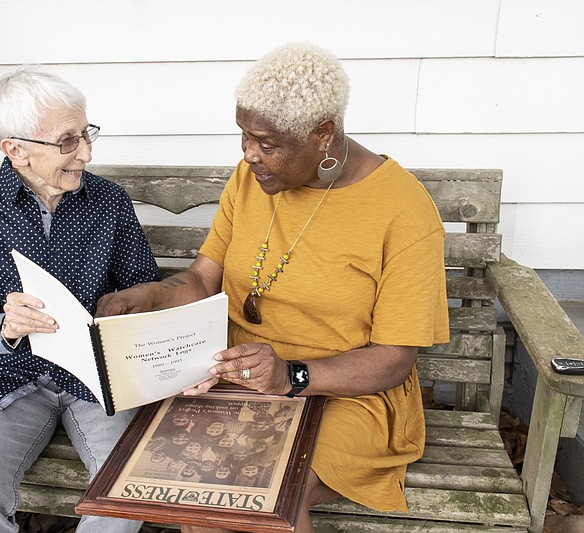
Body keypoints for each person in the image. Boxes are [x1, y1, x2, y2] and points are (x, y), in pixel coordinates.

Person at [96, 42, 449, 533]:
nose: (249, 154)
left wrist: (291, 377)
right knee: (205, 498)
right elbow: (200, 279)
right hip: (235, 380)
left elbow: (394, 357)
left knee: (253, 493)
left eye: (266, 142)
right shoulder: (249, 180)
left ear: (323, 134)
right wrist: (146, 297)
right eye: (243, 136)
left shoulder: (403, 211)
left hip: (345, 393)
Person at [0, 66, 158, 533]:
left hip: (100, 378)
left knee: (129, 492)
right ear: (14, 150)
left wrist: (124, 308)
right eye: (67, 141)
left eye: (86, 134)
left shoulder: (109, 202)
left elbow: (145, 285)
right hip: (9, 380)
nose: (86, 152)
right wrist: (5, 327)